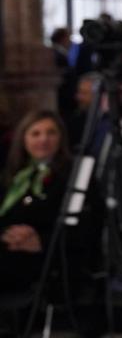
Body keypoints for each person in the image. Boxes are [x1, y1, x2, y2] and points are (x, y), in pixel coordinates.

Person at [0, 110, 70, 294]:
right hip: (8, 249)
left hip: (46, 259)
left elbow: (82, 227)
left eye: (51, 133)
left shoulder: (70, 176)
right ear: (24, 139)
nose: (43, 140)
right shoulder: (14, 176)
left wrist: (40, 241)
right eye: (35, 133)